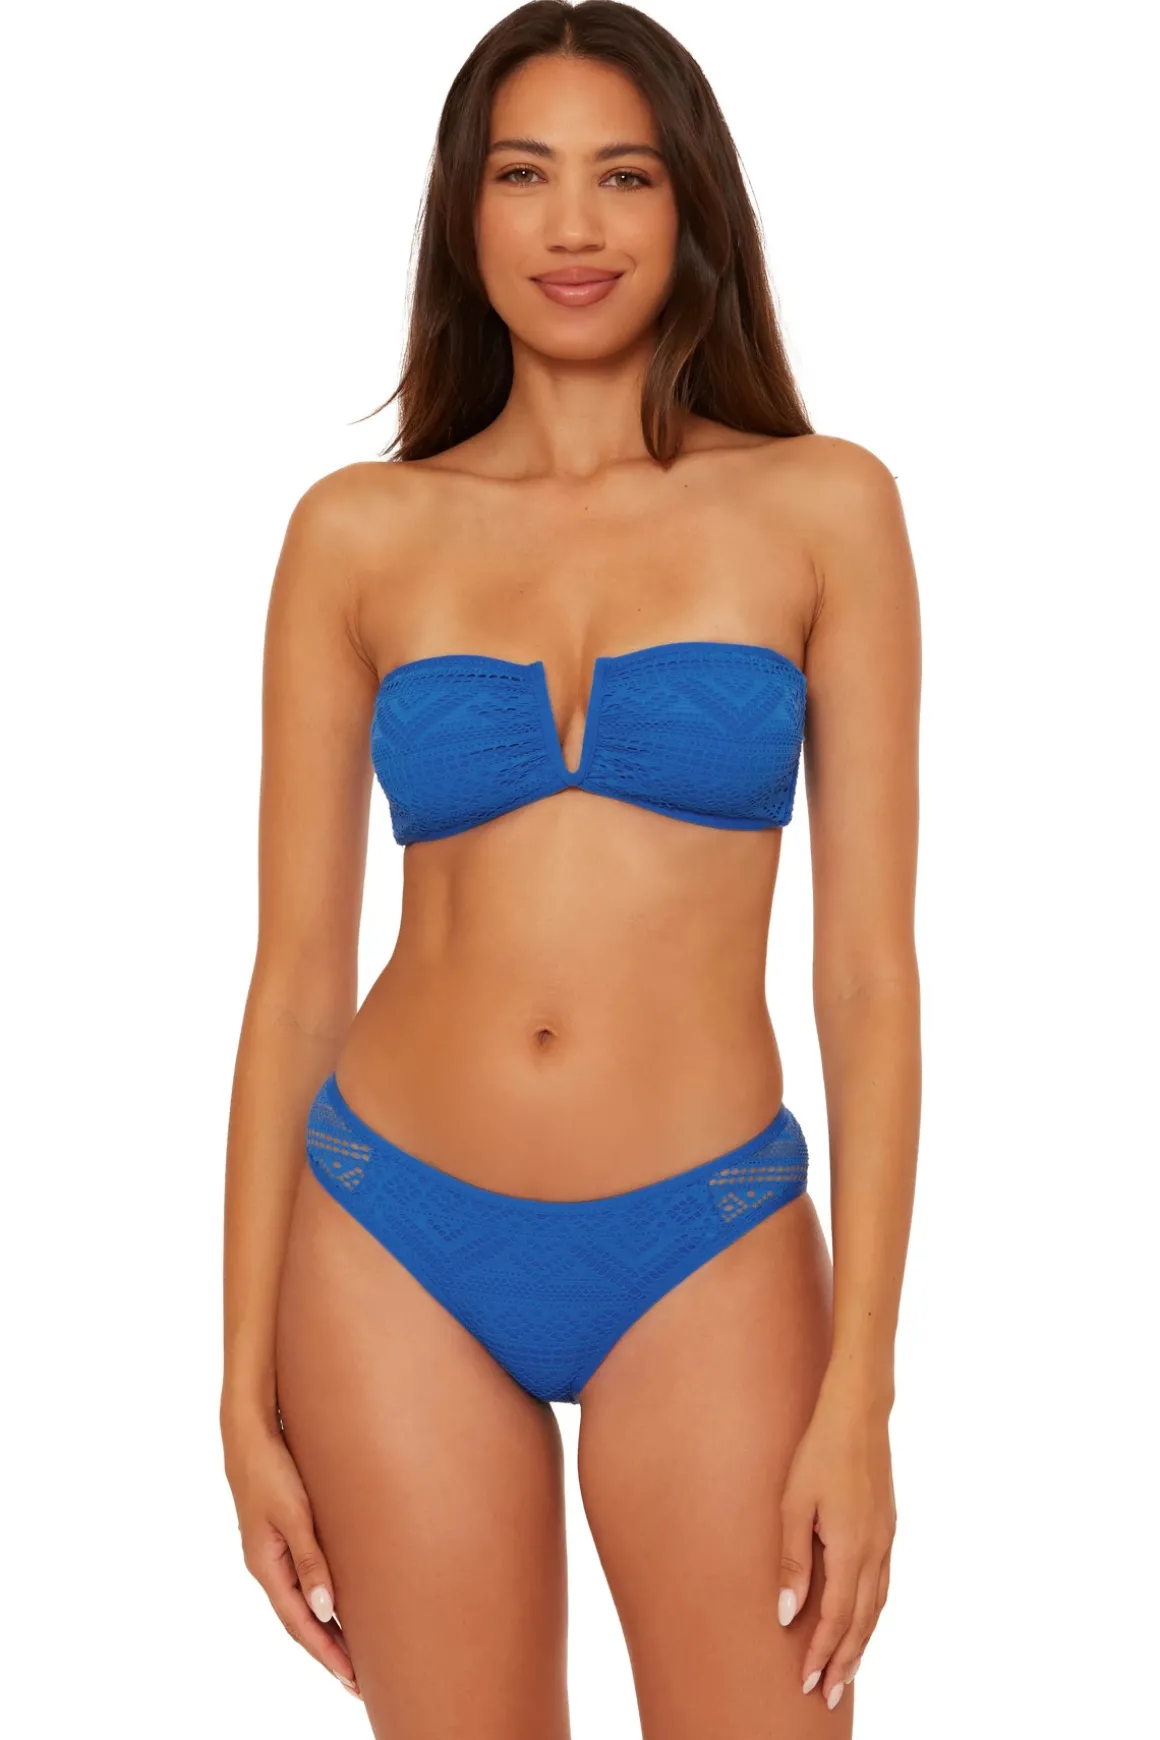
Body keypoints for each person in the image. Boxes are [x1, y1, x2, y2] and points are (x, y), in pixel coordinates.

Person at [219, 3, 922, 1734]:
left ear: (693, 209)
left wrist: (864, 1395)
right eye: (524, 175)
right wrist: (237, 1388)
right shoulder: (356, 532)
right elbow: (295, 979)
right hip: (390, 1234)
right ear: (466, 211)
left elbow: (867, 977)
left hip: (708, 1237)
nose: (574, 225)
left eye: (626, 176)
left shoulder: (824, 508)